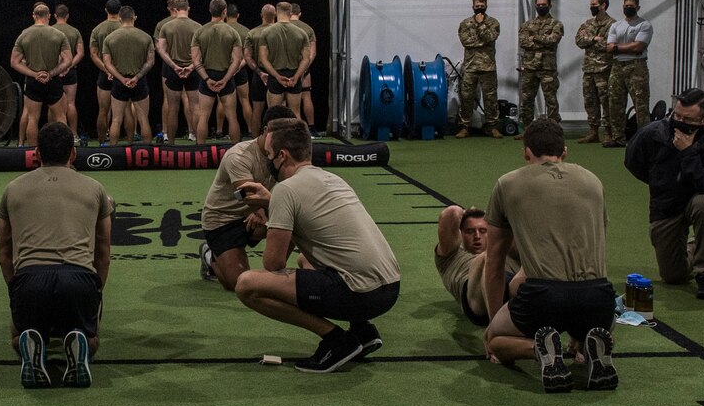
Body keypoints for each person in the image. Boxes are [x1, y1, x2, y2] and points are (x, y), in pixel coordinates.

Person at [233, 119, 401, 373]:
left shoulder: (285, 190)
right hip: (389, 288)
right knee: (305, 261)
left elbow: (273, 264)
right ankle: (363, 331)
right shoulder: (332, 178)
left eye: (268, 155)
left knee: (247, 285)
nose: (267, 161)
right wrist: (274, 204)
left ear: (282, 156)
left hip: (360, 293)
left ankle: (336, 340)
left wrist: (273, 210)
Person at [480, 117, 617, 393]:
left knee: (495, 341)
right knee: (585, 323)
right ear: (565, 152)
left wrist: (495, 324)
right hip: (600, 298)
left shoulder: (508, 184)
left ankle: (540, 348)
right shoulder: (593, 181)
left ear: (526, 152)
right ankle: (588, 345)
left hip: (545, 297)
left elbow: (494, 261)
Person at [0, 122, 112, 388]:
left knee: (18, 338)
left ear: (37, 153)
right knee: (91, 340)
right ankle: (78, 340)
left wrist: (15, 289)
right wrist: (96, 290)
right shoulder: (95, 188)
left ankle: (33, 337)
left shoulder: (12, 188)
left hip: (30, 280)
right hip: (78, 278)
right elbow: (104, 252)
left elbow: (5, 254)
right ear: (73, 154)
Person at [624, 89, 704, 300]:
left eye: (687, 119)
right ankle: (694, 246)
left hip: (699, 195)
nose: (680, 121)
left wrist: (687, 152)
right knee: (673, 276)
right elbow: (632, 162)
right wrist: (660, 182)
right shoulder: (652, 133)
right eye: (677, 115)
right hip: (666, 204)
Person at [198, 106, 296, 291]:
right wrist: (264, 214)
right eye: (281, 134)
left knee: (297, 220)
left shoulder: (284, 153)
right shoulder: (239, 155)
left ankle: (276, 271)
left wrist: (264, 212)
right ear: (266, 130)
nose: (286, 141)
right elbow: (249, 195)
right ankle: (210, 255)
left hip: (256, 210)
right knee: (237, 283)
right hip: (222, 220)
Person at [434, 204, 521, 326]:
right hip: (476, 299)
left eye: (483, 231)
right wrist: (468, 213)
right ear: (461, 233)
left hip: (511, 287)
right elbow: (452, 212)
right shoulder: (450, 254)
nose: (477, 236)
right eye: (470, 231)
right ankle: (496, 327)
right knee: (485, 259)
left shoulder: (504, 248)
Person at [11, 2, 73, 146]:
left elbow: (14, 62)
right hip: (53, 81)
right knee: (60, 117)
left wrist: (34, 75)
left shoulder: (24, 34)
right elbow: (68, 60)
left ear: (34, 16)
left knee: (32, 119)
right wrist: (51, 74)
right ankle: (64, 152)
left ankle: (33, 155)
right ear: (49, 16)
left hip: (34, 83)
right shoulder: (59, 34)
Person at [600, 0, 653, 148]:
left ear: (638, 8)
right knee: (615, 103)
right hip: (617, 67)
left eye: (631, 6)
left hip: (637, 67)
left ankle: (644, 139)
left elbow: (639, 47)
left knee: (640, 103)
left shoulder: (644, 25)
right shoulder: (616, 26)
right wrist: (627, 47)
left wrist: (618, 47)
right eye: (626, 6)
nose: (628, 8)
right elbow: (609, 47)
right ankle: (618, 138)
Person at [190, 0, 245, 144]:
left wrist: (207, 79)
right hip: (225, 76)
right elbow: (237, 60)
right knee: (232, 116)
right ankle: (236, 152)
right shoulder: (233, 33)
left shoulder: (200, 32)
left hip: (207, 75)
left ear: (210, 10)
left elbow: (195, 61)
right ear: (225, 12)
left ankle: (200, 151)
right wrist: (226, 79)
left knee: (203, 116)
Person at [102, 6, 156, 143]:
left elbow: (107, 63)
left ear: (119, 19)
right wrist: (137, 77)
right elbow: (150, 62)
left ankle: (113, 155)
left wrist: (121, 79)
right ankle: (147, 155)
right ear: (134, 18)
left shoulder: (110, 38)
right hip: (140, 82)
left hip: (119, 82)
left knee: (116, 120)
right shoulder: (146, 37)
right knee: (144, 119)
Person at [153, 0, 202, 143]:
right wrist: (191, 66)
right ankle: (198, 141)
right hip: (193, 70)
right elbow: (201, 52)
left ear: (173, 9)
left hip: (171, 70)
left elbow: (160, 50)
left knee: (172, 107)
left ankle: (171, 144)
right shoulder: (198, 27)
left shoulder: (165, 26)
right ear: (188, 9)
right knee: (195, 106)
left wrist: (174, 66)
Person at [259, 3, 314, 123]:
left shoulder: (266, 32)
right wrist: (296, 76)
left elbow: (263, 59)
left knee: (273, 115)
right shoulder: (301, 33)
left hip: (275, 75)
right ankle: (299, 140)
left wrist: (277, 76)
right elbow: (306, 58)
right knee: (295, 113)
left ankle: (274, 141)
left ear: (276, 13)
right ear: (290, 13)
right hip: (294, 74)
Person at [456, 0, 501, 137]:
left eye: (482, 6)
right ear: (473, 6)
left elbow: (490, 37)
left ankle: (492, 126)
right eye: (477, 6)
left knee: (490, 98)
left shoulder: (493, 22)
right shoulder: (465, 23)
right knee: (466, 97)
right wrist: (483, 40)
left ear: (486, 6)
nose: (479, 8)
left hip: (488, 67)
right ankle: (465, 127)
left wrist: (481, 25)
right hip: (470, 67)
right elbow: (466, 42)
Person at [517, 0, 563, 125]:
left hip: (547, 68)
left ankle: (554, 128)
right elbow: (523, 42)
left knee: (551, 99)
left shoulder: (556, 24)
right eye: (539, 5)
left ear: (549, 6)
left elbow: (553, 40)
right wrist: (543, 41)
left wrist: (534, 37)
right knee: (526, 99)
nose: (541, 7)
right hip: (530, 67)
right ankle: (527, 128)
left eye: (544, 5)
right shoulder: (527, 24)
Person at [574, 0, 614, 143]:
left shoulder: (612, 24)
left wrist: (589, 40)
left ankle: (608, 132)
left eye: (594, 5)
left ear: (603, 5)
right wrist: (593, 38)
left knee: (606, 102)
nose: (592, 7)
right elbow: (578, 41)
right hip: (589, 69)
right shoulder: (587, 23)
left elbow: (609, 45)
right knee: (590, 102)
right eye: (591, 5)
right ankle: (593, 131)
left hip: (604, 69)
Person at [88, 0, 124, 144]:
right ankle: (129, 142)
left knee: (103, 111)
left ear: (106, 10)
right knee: (126, 111)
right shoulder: (125, 27)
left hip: (105, 74)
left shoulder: (97, 29)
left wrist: (107, 70)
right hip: (123, 74)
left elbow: (93, 54)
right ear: (120, 10)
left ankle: (102, 142)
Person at [242, 4, 279, 136]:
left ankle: (254, 140)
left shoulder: (252, 33)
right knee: (277, 110)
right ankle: (276, 139)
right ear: (275, 15)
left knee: (257, 110)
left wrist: (259, 72)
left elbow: (247, 57)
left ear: (261, 15)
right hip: (277, 74)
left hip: (260, 74)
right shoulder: (280, 32)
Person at [286, 3, 321, 131]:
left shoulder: (283, 27)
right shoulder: (308, 29)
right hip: (305, 69)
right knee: (306, 97)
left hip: (286, 69)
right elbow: (313, 52)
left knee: (285, 100)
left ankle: (287, 128)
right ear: (299, 14)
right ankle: (311, 128)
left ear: (288, 13)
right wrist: (304, 68)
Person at [224, 2, 255, 133]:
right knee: (245, 100)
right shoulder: (246, 31)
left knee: (222, 102)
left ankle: (219, 131)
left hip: (224, 70)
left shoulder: (221, 29)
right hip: (241, 69)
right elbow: (248, 55)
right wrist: (239, 66)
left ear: (225, 15)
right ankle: (250, 130)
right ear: (238, 15)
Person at [52, 3, 83, 130]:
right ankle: (74, 134)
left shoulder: (50, 30)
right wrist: (68, 66)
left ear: (54, 16)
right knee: (70, 103)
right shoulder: (74, 31)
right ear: (67, 16)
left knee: (52, 104)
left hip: (53, 72)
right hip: (70, 72)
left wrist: (58, 68)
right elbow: (80, 53)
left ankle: (52, 133)